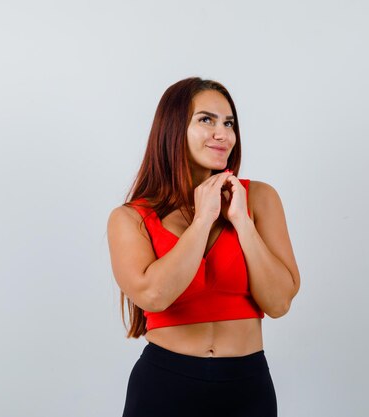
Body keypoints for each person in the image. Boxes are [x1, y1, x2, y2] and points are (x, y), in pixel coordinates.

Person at [106, 77, 301, 417]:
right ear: (172, 128)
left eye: (229, 123)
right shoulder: (130, 218)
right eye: (206, 120)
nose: (222, 133)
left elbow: (279, 301)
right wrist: (202, 221)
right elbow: (154, 295)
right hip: (164, 385)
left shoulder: (260, 199)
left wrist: (242, 223)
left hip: (247, 387)